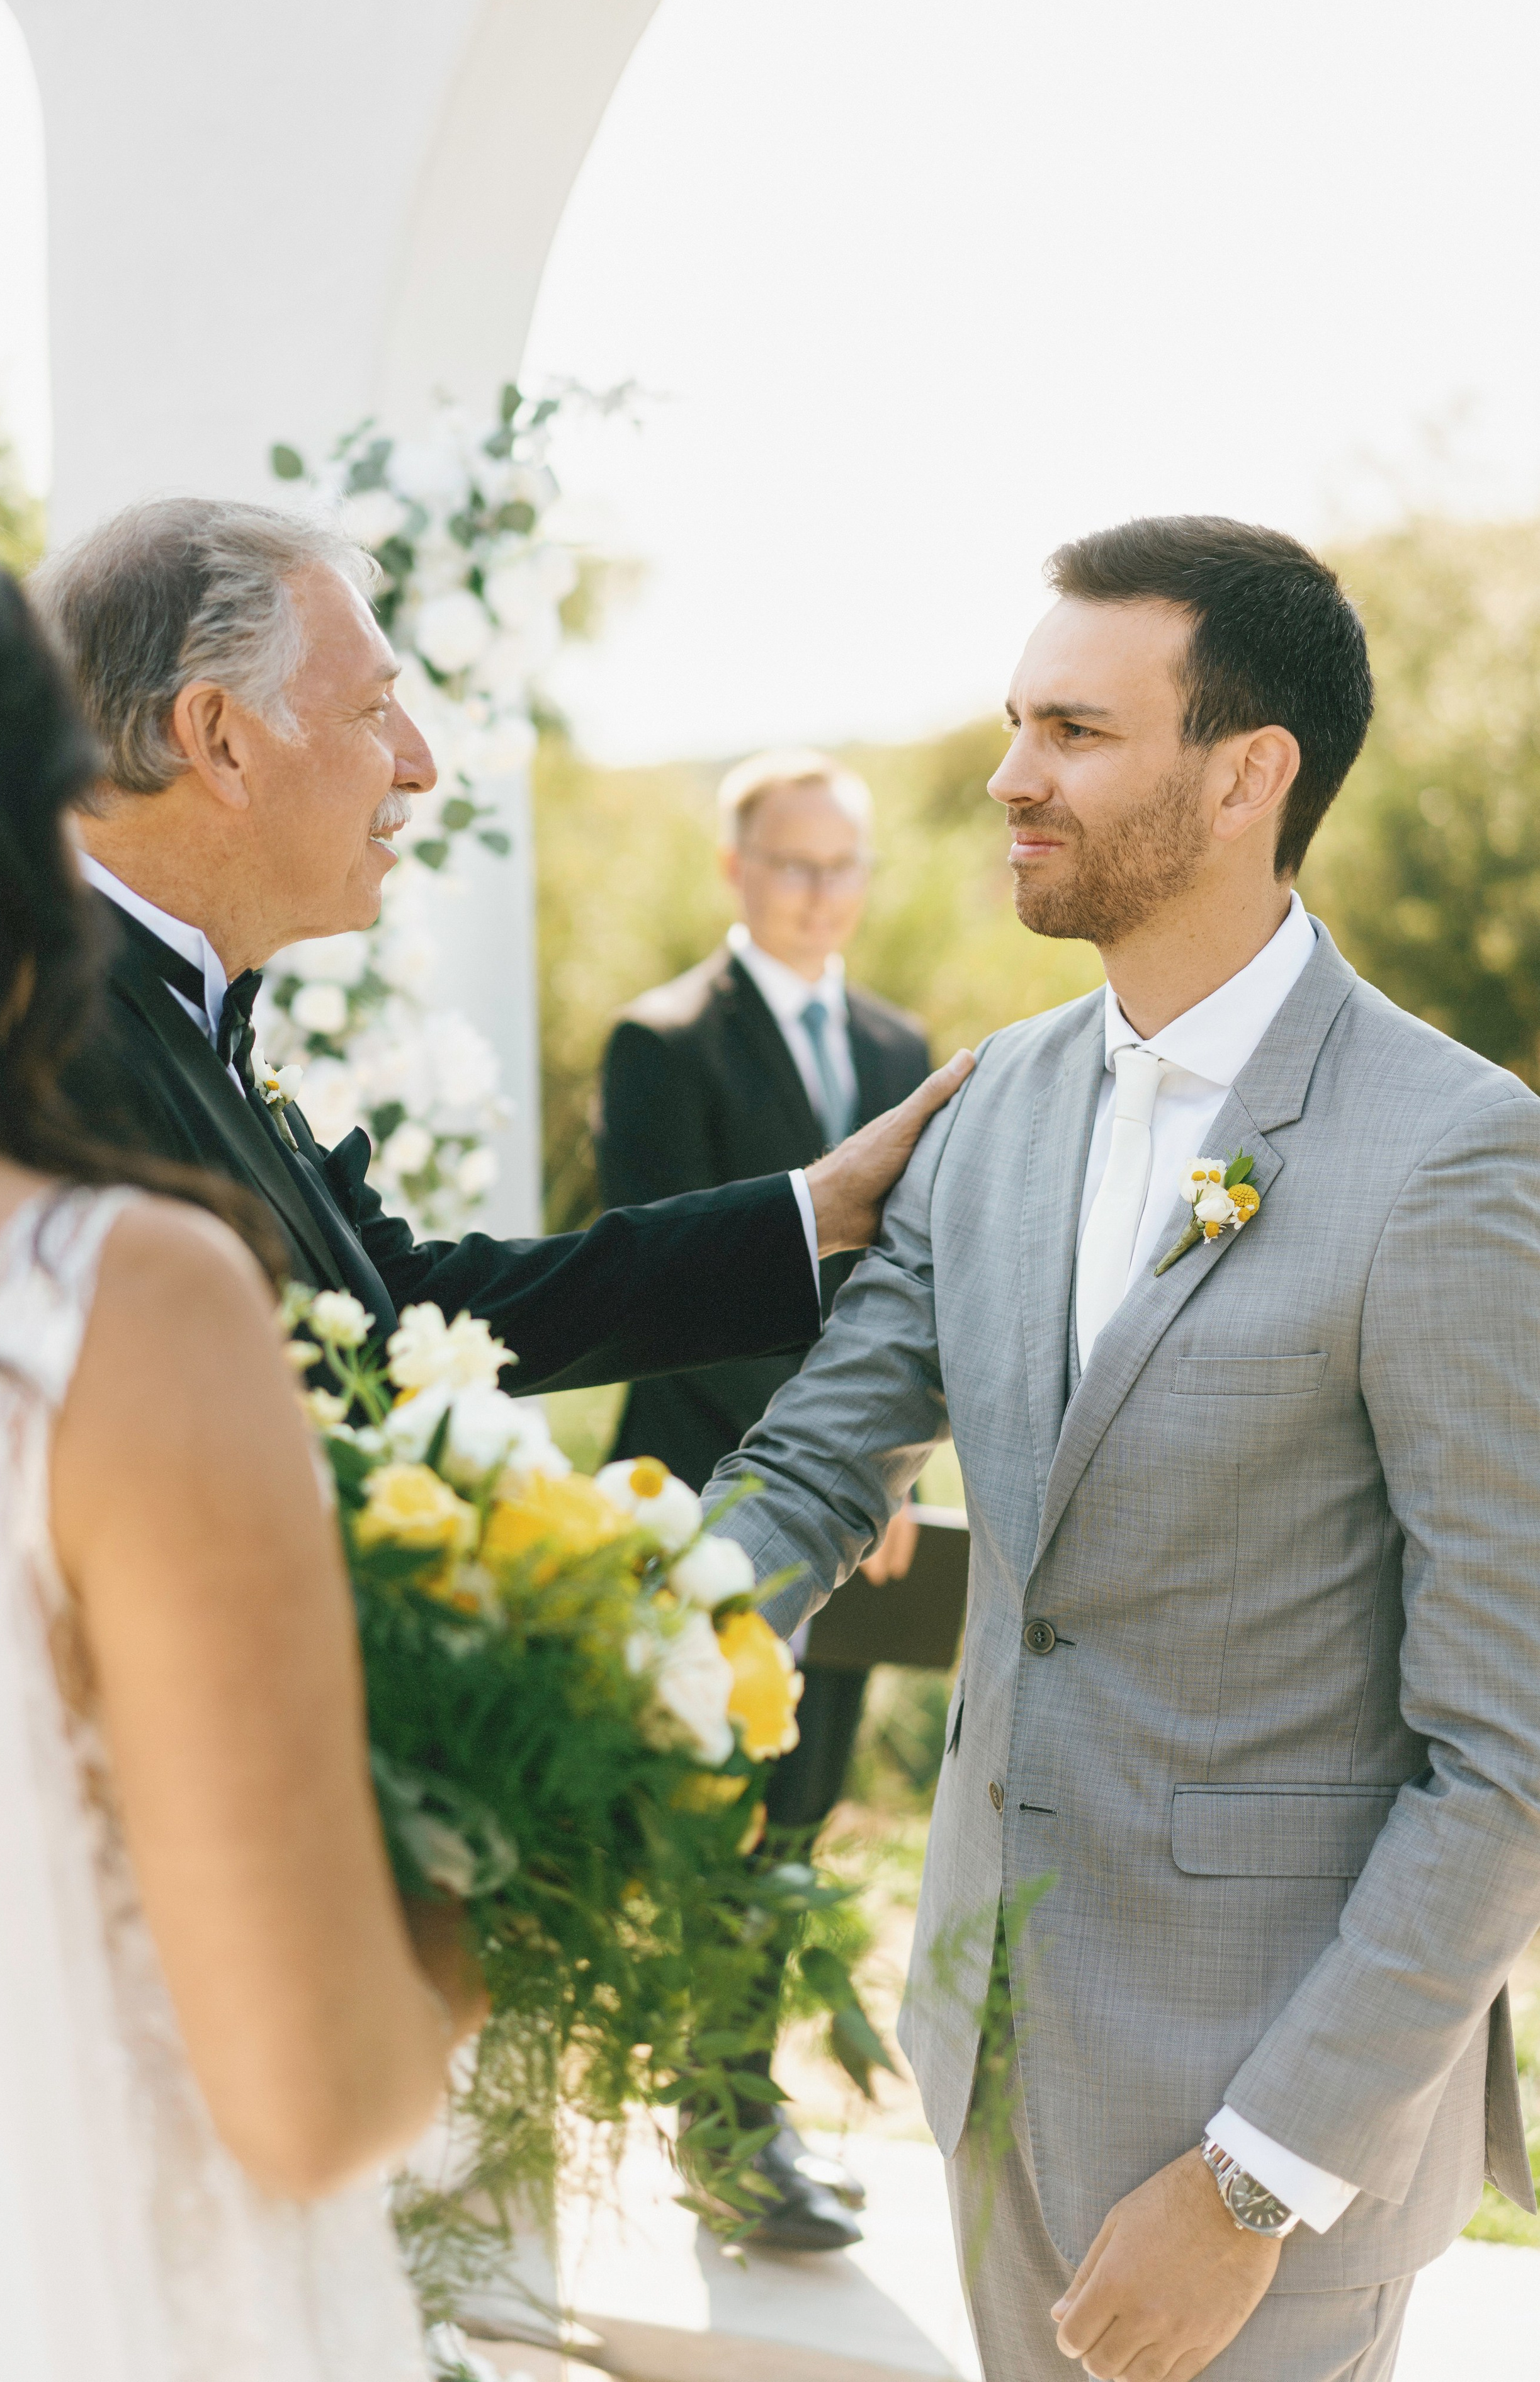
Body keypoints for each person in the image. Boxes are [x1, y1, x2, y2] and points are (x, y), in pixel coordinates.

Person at [706, 516, 1540, 2382]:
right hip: (987, 2058)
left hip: (1256, 2141)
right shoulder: (994, 1104)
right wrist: (593, 1658)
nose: (1009, 777)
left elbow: (1512, 1754)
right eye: (1016, 723)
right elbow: (822, 1461)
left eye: (1075, 732)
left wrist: (1253, 2183)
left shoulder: (1454, 1157)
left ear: (1249, 776)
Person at [0, 528, 486, 2374]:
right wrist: (496, 1891)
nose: (413, 763)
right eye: (382, 711)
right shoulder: (111, 1297)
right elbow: (317, 2103)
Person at [28, 500, 970, 1391]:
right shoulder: (38, 1053)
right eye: (372, 711)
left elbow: (407, 1315)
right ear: (220, 740)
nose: (421, 764)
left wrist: (820, 1208)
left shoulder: (175, 1005)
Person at [597, 747, 931, 2250]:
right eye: (790, 865)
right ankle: (714, 2119)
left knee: (799, 1816)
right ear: (736, 872)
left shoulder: (898, 1042)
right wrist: (831, 1471)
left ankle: (747, 2113)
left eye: (840, 866)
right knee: (706, 1820)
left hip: (862, 1512)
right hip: (705, 1499)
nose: (817, 892)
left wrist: (885, 1476)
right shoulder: (659, 1042)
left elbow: (910, 1292)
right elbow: (680, 1290)